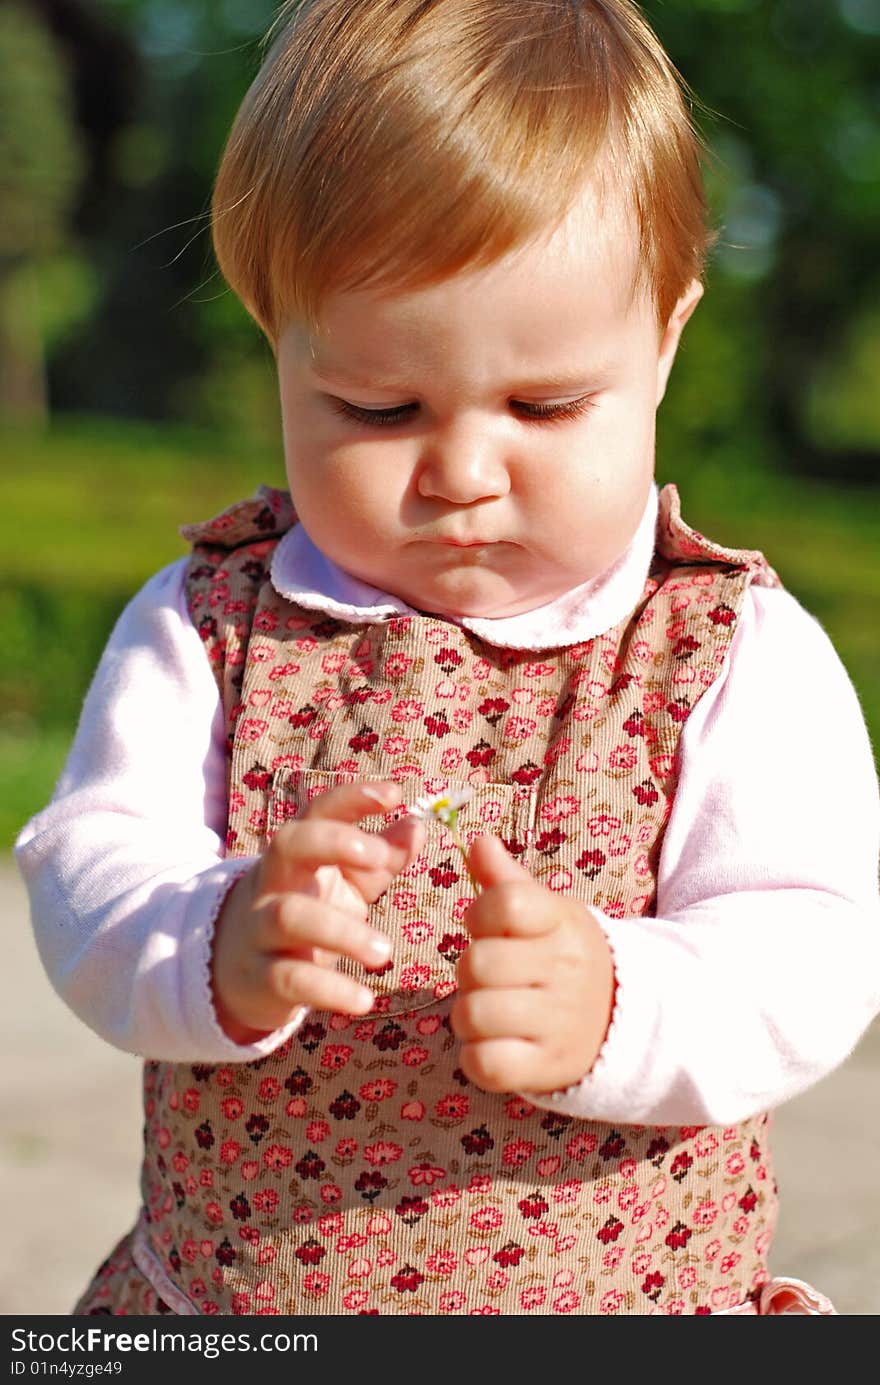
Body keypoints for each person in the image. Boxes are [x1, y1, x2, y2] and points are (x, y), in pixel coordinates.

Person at [15, 0, 880, 1317]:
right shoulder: (215, 626)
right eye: (379, 407)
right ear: (278, 337)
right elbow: (90, 863)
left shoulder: (722, 652)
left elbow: (818, 949)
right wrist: (212, 936)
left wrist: (623, 999)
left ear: (666, 335)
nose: (465, 472)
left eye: (545, 404)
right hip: (241, 1305)